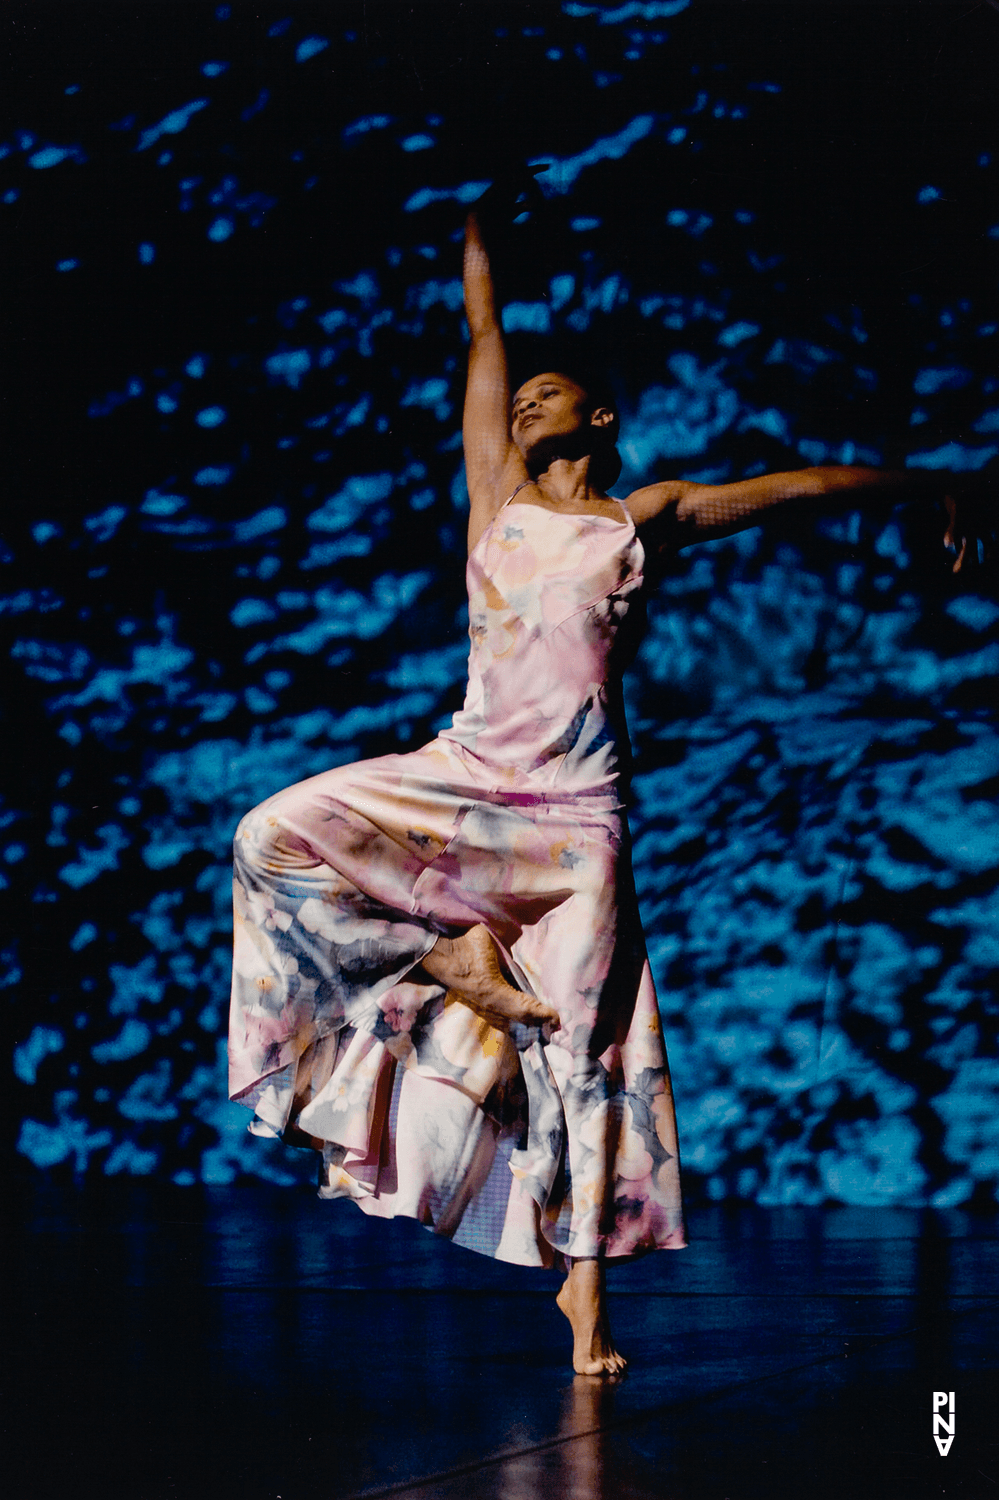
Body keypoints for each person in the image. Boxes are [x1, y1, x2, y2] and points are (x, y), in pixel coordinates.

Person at [229, 181, 988, 1377]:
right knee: (271, 833)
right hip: (469, 779)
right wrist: (486, 232)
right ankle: (448, 958)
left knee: (583, 1055)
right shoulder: (496, 501)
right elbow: (485, 332)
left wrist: (929, 485)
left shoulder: (640, 521)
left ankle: (585, 1298)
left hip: (580, 819)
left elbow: (796, 488)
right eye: (523, 393)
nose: (529, 396)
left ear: (603, 418)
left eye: (553, 391)